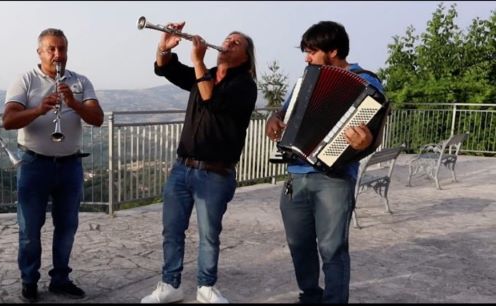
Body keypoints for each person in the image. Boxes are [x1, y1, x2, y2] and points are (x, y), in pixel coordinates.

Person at [264, 21, 387, 304]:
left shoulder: (367, 81)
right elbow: (281, 113)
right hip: (296, 175)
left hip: (334, 177)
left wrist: (363, 142)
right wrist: (273, 120)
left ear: (332, 51)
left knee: (333, 249)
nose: (306, 58)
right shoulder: (305, 82)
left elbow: (374, 135)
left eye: (311, 51)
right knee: (299, 246)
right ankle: (309, 296)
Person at [139, 23, 257, 304]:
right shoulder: (205, 74)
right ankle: (170, 284)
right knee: (172, 230)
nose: (228, 42)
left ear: (246, 57)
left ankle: (206, 287)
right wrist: (163, 47)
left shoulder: (245, 86)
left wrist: (198, 60)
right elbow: (166, 69)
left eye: (236, 42)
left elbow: (211, 100)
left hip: (215, 173)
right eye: (227, 37)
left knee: (209, 234)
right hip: (182, 167)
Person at [2, 28, 103, 302]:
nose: (58, 55)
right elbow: (8, 120)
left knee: (67, 226)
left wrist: (73, 103)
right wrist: (38, 109)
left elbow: (97, 117)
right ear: (40, 52)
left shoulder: (80, 82)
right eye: (52, 49)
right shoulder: (25, 80)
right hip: (34, 165)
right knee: (30, 229)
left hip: (70, 166)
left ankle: (61, 279)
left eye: (62, 49)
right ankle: (29, 281)